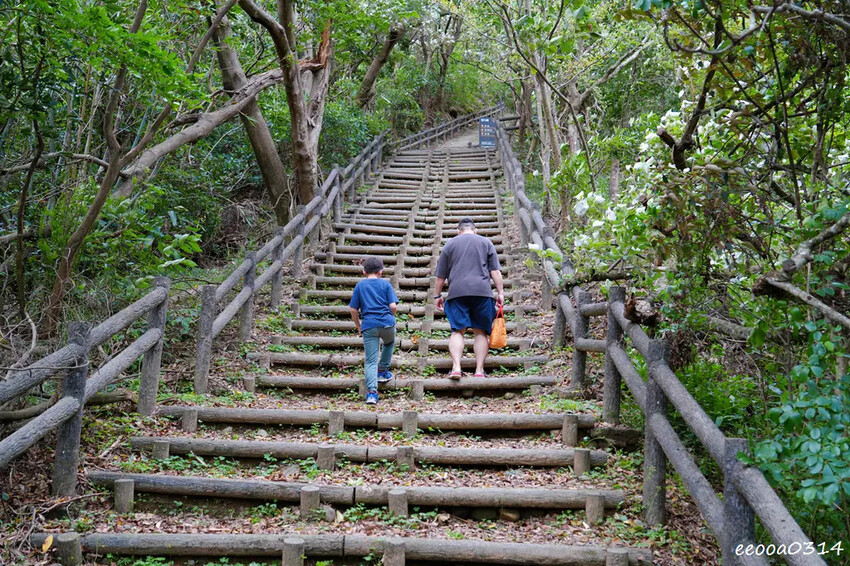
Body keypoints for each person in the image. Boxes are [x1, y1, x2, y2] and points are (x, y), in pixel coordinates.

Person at [434, 218, 504, 378]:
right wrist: (500, 292)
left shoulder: (450, 244)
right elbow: (495, 271)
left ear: (458, 231)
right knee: (481, 332)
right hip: (482, 292)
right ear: (475, 230)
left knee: (458, 331)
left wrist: (437, 295)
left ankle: (457, 368)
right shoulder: (486, 243)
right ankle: (479, 371)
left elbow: (440, 275)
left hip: (457, 292)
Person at [349, 256, 399, 404]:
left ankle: (371, 393)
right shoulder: (386, 285)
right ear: (381, 272)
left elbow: (353, 309)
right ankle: (383, 370)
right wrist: (391, 317)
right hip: (386, 324)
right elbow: (393, 306)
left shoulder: (360, 286)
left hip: (369, 325)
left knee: (370, 360)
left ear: (364, 272)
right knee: (389, 343)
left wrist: (358, 325)